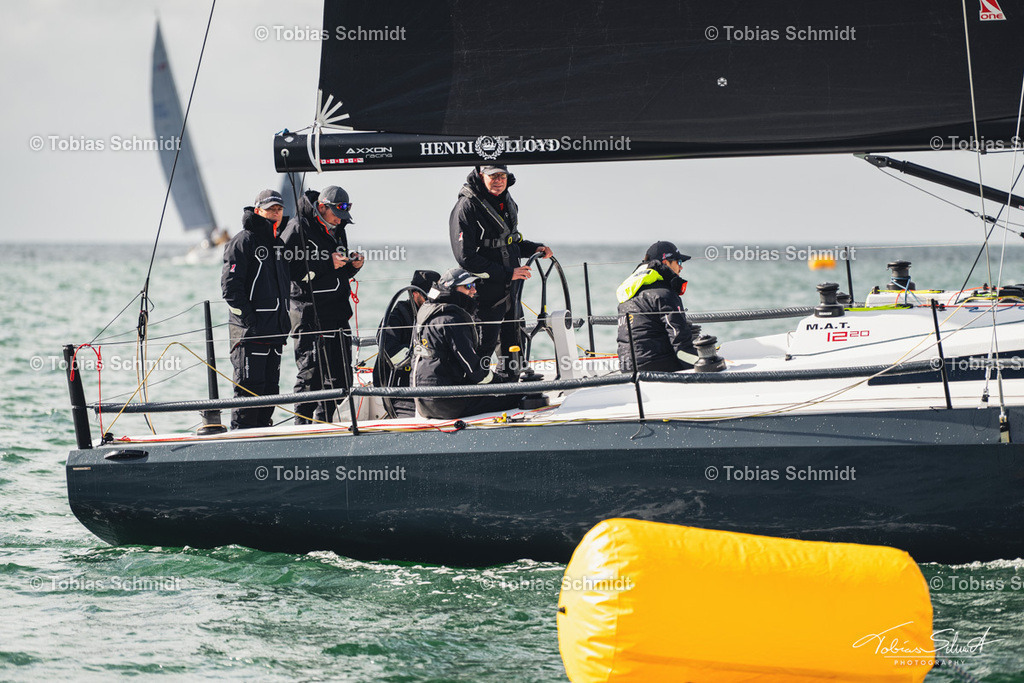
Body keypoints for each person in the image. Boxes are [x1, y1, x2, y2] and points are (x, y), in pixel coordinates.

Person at [449, 164, 553, 377]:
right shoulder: (466, 206)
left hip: (511, 291)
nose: (498, 180)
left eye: (501, 176)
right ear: (481, 175)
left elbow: (509, 241)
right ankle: (475, 393)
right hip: (484, 293)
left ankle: (511, 389)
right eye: (492, 176)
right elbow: (465, 257)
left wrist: (534, 248)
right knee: (483, 347)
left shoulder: (507, 200)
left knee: (514, 343)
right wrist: (508, 273)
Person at [279, 186, 363, 424]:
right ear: (322, 207)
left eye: (343, 216)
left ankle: (324, 424)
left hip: (337, 313)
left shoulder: (339, 228)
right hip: (309, 314)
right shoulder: (297, 227)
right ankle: (301, 428)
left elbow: (339, 271)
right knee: (310, 376)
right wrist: (327, 262)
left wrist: (352, 266)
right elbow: (286, 268)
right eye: (336, 214)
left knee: (341, 377)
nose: (340, 220)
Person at [412, 268, 526, 420]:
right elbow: (474, 369)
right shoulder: (452, 320)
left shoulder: (426, 313)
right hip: (446, 403)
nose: (474, 291)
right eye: (467, 286)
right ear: (452, 289)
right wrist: (501, 383)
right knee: (516, 397)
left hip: (421, 401)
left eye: (474, 286)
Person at [221, 189, 291, 429]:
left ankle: (264, 444)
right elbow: (230, 290)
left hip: (274, 333)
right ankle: (241, 447)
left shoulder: (278, 243)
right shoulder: (243, 240)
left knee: (270, 393)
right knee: (249, 394)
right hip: (250, 335)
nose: (276, 213)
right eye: (271, 209)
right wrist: (251, 321)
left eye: (279, 209)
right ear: (258, 210)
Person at [616, 241, 699, 373]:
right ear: (666, 263)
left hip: (627, 369)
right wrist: (701, 365)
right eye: (679, 262)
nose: (681, 268)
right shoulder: (664, 294)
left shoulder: (627, 295)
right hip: (657, 368)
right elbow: (680, 343)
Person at [373, 269, 441, 418]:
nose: (433, 301)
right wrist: (422, 358)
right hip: (399, 386)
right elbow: (388, 348)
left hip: (427, 383)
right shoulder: (396, 317)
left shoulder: (437, 314)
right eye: (427, 297)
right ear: (415, 294)